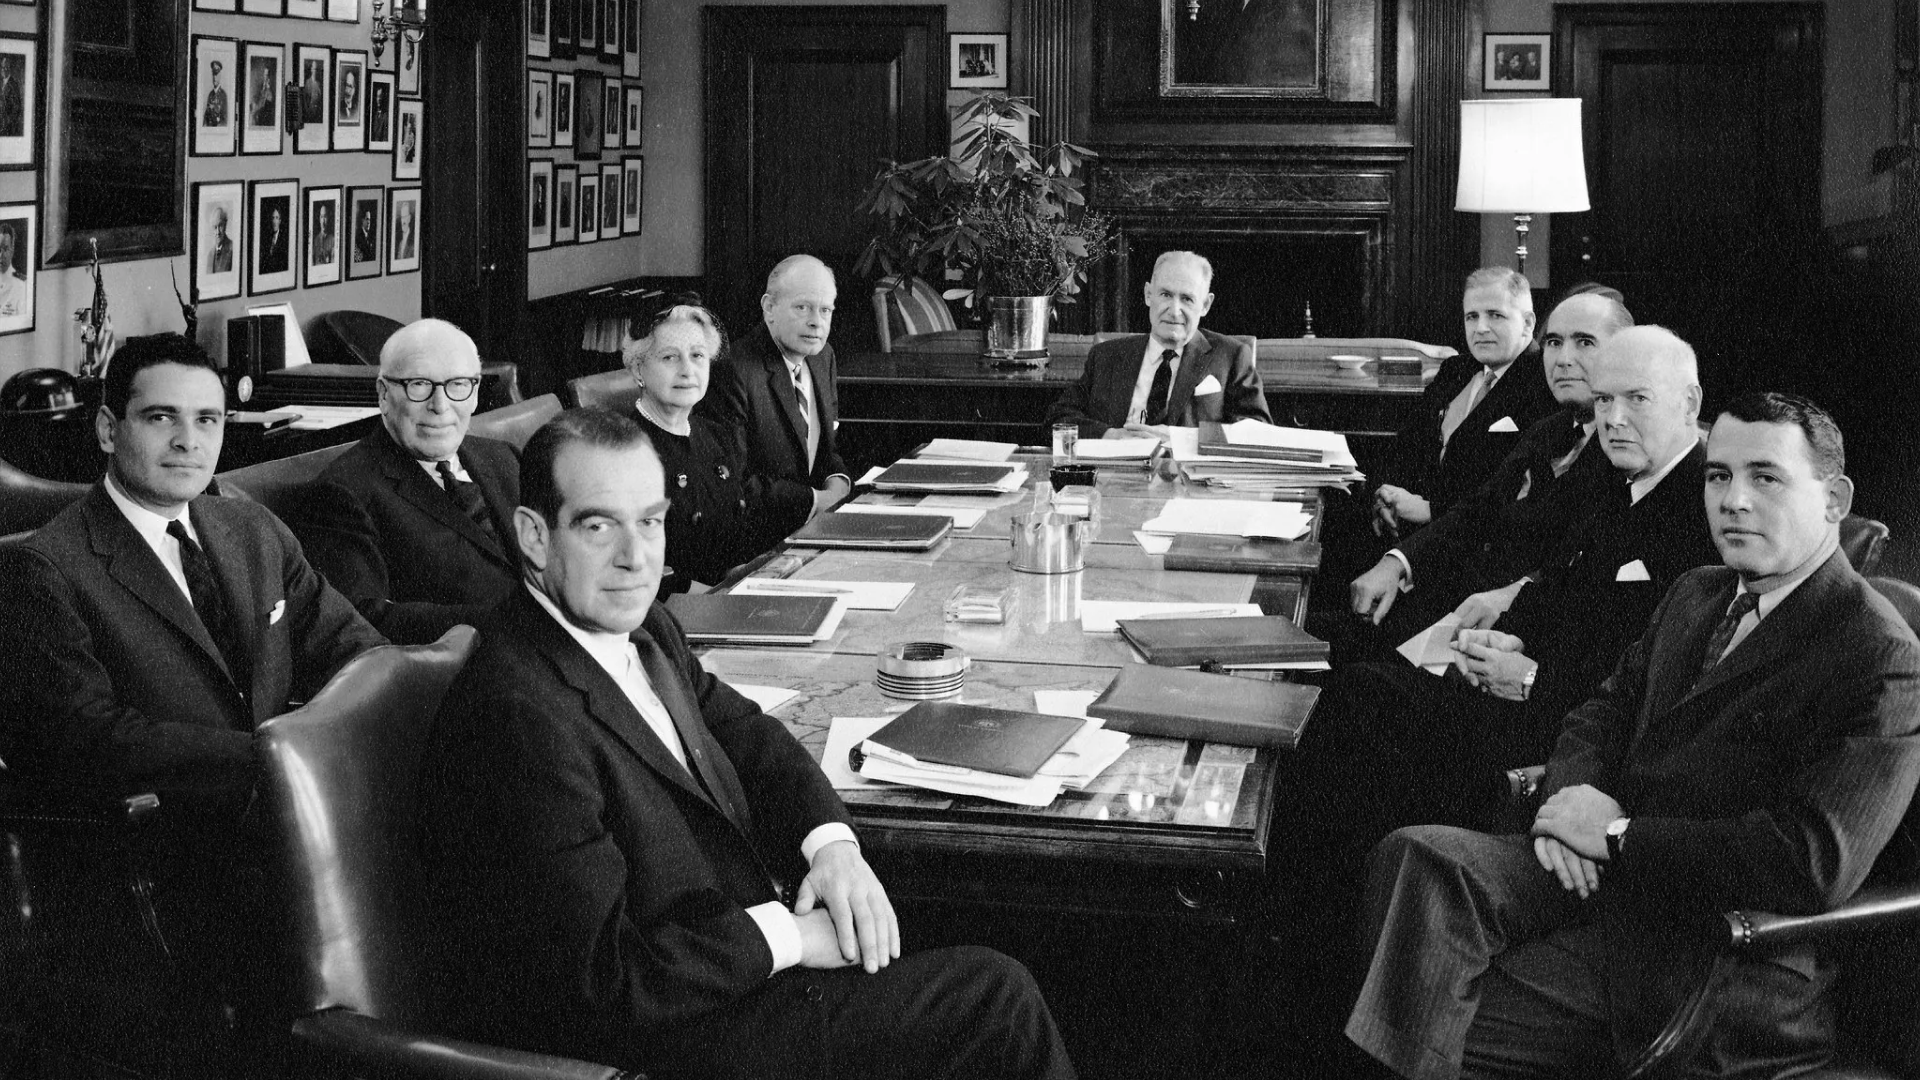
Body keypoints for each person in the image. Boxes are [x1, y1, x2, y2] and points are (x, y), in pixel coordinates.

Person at [415, 408, 1078, 1079]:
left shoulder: (646, 630)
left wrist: (833, 847)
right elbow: (605, 980)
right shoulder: (517, 715)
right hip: (666, 1039)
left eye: (650, 521)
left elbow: (749, 735)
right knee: (996, 1003)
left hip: (727, 960)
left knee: (1017, 931)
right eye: (598, 526)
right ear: (534, 536)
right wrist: (789, 937)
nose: (636, 558)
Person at [1346, 392, 1920, 1080]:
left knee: (1410, 995)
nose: (1733, 500)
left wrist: (1617, 836)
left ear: (1834, 500)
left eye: (1766, 477)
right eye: (1718, 475)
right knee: (1415, 857)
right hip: (1605, 885)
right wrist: (1573, 802)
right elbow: (1601, 711)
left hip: (1715, 952)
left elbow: (1810, 862)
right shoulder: (1697, 592)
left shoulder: (1881, 654)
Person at [0, 334, 385, 1072]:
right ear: (108, 428)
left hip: (293, 832)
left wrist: (354, 738)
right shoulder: (40, 568)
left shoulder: (250, 528)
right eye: (161, 418)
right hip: (162, 867)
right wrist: (283, 763)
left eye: (207, 419)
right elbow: (90, 739)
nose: (189, 441)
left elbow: (354, 650)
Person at [1300, 326, 1720, 860]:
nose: (1613, 418)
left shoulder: (1706, 511)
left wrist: (1529, 678)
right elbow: (1554, 585)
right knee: (1354, 693)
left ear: (1690, 404)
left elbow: (1651, 688)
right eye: (1604, 400)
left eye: (1637, 399)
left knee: (1361, 715)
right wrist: (1510, 640)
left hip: (1564, 740)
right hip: (1520, 689)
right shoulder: (1619, 479)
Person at [1347, 286, 1632, 642]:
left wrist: (1513, 596)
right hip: (1467, 610)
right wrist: (1397, 562)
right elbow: (1478, 510)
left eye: (1585, 342)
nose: (1563, 359)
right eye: (1554, 342)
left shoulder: (1627, 449)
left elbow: (1585, 569)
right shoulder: (1550, 429)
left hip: (1526, 636)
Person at [297, 319, 518, 645]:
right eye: (419, 385)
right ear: (384, 394)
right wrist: (509, 624)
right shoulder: (343, 493)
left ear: (475, 393)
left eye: (458, 384)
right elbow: (364, 619)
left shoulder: (504, 457)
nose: (440, 406)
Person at [623, 303, 810, 593]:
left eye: (697, 355)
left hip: (729, 597)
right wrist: (718, 594)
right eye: (670, 357)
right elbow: (636, 568)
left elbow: (736, 538)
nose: (687, 370)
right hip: (673, 607)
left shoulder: (717, 435)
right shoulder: (623, 450)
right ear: (638, 369)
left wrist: (752, 571)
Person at [1369, 267, 1557, 538]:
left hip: (1475, 540)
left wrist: (1431, 510)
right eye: (1472, 316)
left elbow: (1517, 490)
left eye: (1495, 315)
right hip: (1404, 529)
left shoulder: (1545, 384)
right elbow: (1405, 445)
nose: (1480, 328)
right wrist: (1384, 496)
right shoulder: (1454, 370)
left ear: (1528, 323)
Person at [1045, 250, 1270, 439]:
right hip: (1116, 472)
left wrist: (1181, 439)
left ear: (1205, 305)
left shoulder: (1231, 356)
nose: (1174, 311)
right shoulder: (1106, 355)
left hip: (1188, 476)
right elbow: (1058, 419)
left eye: (1187, 299)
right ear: (1148, 295)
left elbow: (1258, 430)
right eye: (1165, 294)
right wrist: (1110, 435)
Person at [699, 254, 853, 521]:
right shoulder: (733, 370)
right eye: (802, 307)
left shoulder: (822, 357)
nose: (816, 322)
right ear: (769, 308)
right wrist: (817, 501)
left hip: (818, 523)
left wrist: (839, 483)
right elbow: (736, 483)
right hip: (763, 535)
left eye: (825, 310)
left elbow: (825, 452)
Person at [260, 203, 288, 275]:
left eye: (277, 218)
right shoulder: (266, 238)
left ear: (280, 221)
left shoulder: (284, 240)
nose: (274, 221)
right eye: (273, 218)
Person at [248, 57, 276, 127]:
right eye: (264, 74)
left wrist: (268, 89)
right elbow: (255, 97)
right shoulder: (260, 86)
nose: (265, 77)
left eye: (267, 75)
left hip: (263, 116)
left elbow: (268, 104)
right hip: (257, 111)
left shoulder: (270, 91)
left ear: (269, 77)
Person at [208, 205, 235, 275]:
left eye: (220, 226)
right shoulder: (210, 254)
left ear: (225, 225)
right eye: (215, 227)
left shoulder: (233, 248)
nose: (218, 232)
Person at [202, 59, 228, 128]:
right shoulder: (210, 94)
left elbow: (224, 121)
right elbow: (206, 117)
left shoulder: (223, 95)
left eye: (216, 75)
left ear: (220, 75)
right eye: (213, 74)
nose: (214, 77)